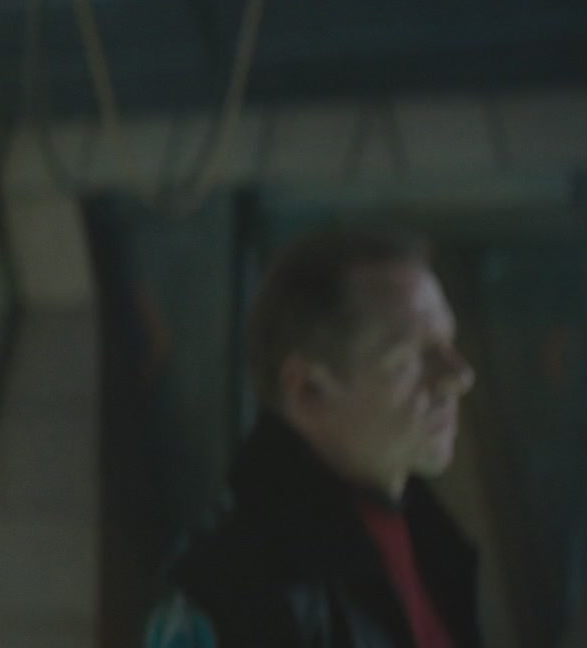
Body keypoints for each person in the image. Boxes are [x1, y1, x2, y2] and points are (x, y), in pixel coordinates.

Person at [144, 226, 482, 648]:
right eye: (406, 360)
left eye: (448, 342)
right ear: (307, 389)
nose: (459, 376)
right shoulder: (230, 591)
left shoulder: (432, 548)